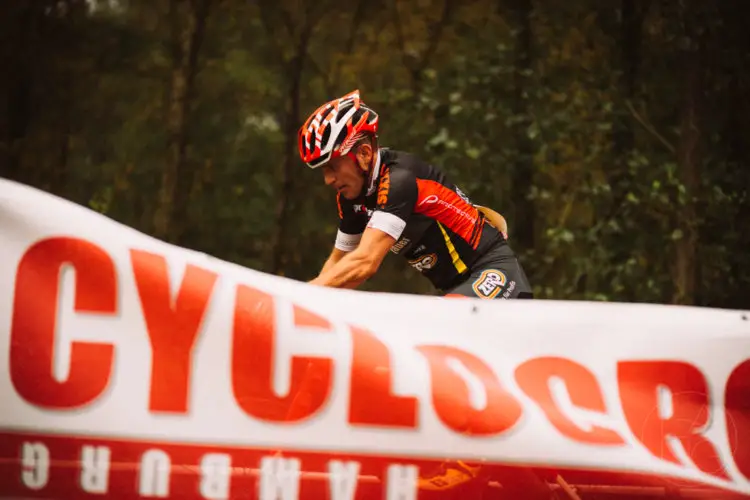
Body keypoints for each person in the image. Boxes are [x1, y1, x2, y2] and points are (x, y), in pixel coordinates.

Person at [300, 89, 533, 301]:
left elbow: (365, 262)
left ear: (364, 153)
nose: (328, 180)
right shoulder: (352, 198)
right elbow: (339, 263)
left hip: (494, 270)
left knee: (430, 327)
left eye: (333, 167)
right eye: (323, 170)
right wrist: (311, 302)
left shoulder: (399, 180)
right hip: (457, 288)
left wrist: (300, 298)